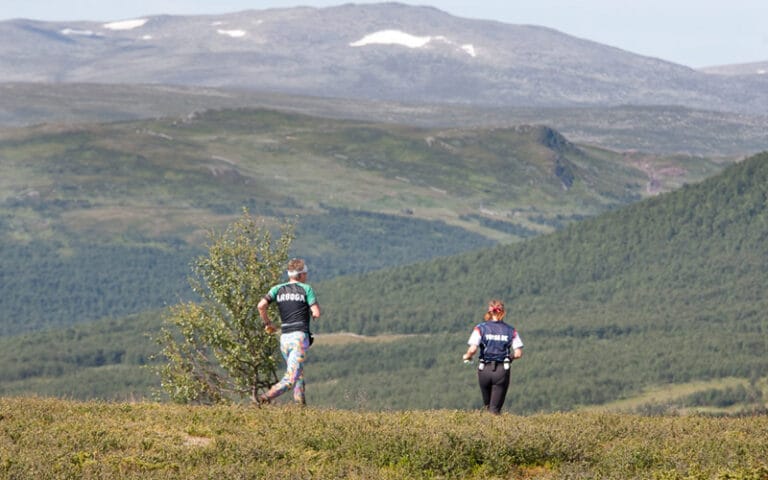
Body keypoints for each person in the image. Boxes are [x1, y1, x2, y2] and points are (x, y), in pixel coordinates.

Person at [257, 258, 320, 405]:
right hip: (299, 337)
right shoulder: (306, 289)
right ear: (301, 275)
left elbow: (261, 306)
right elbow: (316, 312)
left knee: (298, 373)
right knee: (291, 378)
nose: (306, 276)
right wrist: (312, 313)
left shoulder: (277, 289)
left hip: (284, 338)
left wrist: (268, 323)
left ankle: (300, 407)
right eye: (305, 274)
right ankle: (263, 398)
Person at [462, 299, 523, 414]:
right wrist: (509, 358)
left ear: (489, 312)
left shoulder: (480, 328)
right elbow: (518, 353)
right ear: (503, 312)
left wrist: (467, 356)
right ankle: (494, 424)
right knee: (494, 410)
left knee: (487, 406)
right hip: (501, 370)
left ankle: (486, 424)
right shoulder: (511, 330)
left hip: (484, 370)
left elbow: (473, 349)